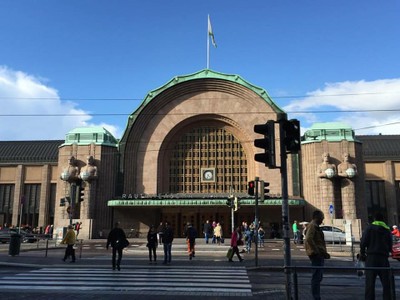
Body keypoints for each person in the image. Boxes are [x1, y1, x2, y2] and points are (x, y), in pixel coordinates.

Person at [360, 212, 393, 300]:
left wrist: (362, 253)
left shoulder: (369, 228)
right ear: (383, 220)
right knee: (386, 284)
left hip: (371, 258)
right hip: (383, 259)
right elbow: (390, 245)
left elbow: (363, 242)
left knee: (370, 284)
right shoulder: (387, 230)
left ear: (374, 219)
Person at [305, 210, 330, 300]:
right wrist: (316, 251)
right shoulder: (312, 226)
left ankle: (316, 296)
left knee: (318, 277)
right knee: (316, 277)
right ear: (317, 217)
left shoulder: (314, 226)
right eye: (322, 217)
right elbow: (309, 238)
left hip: (318, 254)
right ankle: (316, 297)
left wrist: (324, 253)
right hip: (316, 255)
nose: (323, 219)